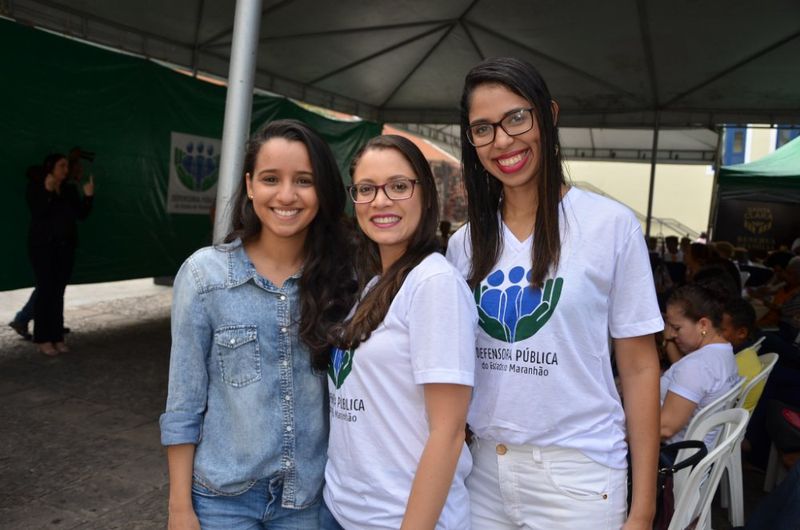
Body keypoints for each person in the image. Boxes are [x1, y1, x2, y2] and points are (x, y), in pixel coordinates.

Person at [446, 57, 662, 529]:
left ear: (549, 114)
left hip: (578, 478)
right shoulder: (463, 245)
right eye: (482, 129)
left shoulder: (611, 227)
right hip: (481, 474)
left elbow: (640, 367)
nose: (503, 140)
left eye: (516, 118)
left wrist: (643, 509)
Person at [160, 120, 356, 530]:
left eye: (304, 180)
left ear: (323, 189)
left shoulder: (345, 279)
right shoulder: (203, 276)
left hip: (310, 500)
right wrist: (179, 508)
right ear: (249, 185)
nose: (286, 195)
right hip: (221, 502)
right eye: (271, 179)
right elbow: (183, 403)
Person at [322, 135, 476, 529]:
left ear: (425, 195)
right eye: (366, 189)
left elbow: (448, 432)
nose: (380, 201)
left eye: (398, 186)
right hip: (344, 511)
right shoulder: (375, 282)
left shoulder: (434, 284)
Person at [27, 153, 94, 355]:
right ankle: (43, 338)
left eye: (66, 166)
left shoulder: (68, 189)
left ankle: (57, 336)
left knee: (58, 293)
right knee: (45, 291)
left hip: (65, 248)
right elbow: (38, 212)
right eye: (61, 166)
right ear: (51, 167)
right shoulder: (36, 187)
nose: (66, 170)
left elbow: (81, 214)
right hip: (43, 248)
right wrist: (47, 191)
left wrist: (88, 196)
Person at [660, 284, 740, 447]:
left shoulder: (697, 365)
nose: (671, 334)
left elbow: (665, 429)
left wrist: (619, 435)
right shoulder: (724, 353)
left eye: (676, 328)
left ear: (703, 325)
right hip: (699, 451)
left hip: (670, 453)